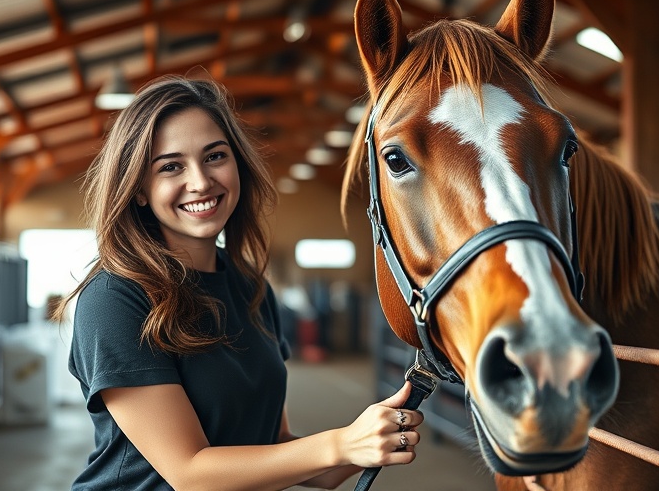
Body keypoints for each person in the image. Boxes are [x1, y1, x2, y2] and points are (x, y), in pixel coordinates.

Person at [54, 75, 424, 490]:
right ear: (139, 189)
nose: (200, 181)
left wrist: (370, 438)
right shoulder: (115, 299)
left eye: (214, 156)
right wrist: (340, 445)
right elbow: (190, 472)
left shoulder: (251, 289)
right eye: (171, 166)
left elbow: (278, 446)